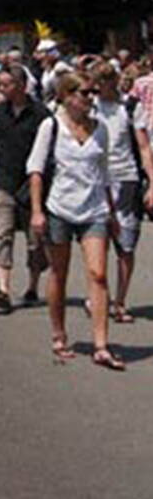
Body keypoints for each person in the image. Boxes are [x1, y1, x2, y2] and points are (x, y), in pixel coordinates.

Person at [28, 72, 122, 369]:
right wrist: (36, 211)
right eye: (83, 93)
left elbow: (104, 172)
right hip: (60, 209)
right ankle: (59, 334)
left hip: (94, 210)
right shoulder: (51, 126)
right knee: (59, 273)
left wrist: (112, 212)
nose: (89, 98)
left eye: (92, 92)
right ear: (66, 96)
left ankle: (101, 345)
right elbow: (36, 170)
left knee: (98, 275)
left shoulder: (101, 129)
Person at [0, 68, 51, 314]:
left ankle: (32, 286)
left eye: (7, 84)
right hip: (4, 181)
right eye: (1, 84)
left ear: (21, 85)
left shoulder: (41, 113)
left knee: (35, 240)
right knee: (2, 232)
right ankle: (3, 290)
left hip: (32, 185)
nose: (3, 89)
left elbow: (51, 151)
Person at [91, 65, 147, 324]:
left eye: (107, 80)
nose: (103, 85)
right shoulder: (89, 106)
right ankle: (99, 295)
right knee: (96, 240)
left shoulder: (130, 107)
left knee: (126, 244)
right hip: (96, 180)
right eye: (98, 81)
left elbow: (144, 147)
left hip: (126, 178)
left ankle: (120, 301)